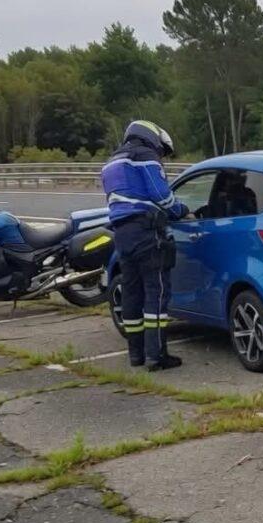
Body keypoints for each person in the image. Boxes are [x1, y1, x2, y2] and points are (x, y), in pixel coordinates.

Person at [100, 121, 188, 371]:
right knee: (156, 293)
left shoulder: (111, 163)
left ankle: (136, 355)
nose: (162, 156)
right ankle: (157, 356)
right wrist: (181, 210)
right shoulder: (145, 156)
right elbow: (161, 195)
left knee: (132, 294)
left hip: (122, 234)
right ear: (153, 139)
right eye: (163, 152)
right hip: (146, 232)